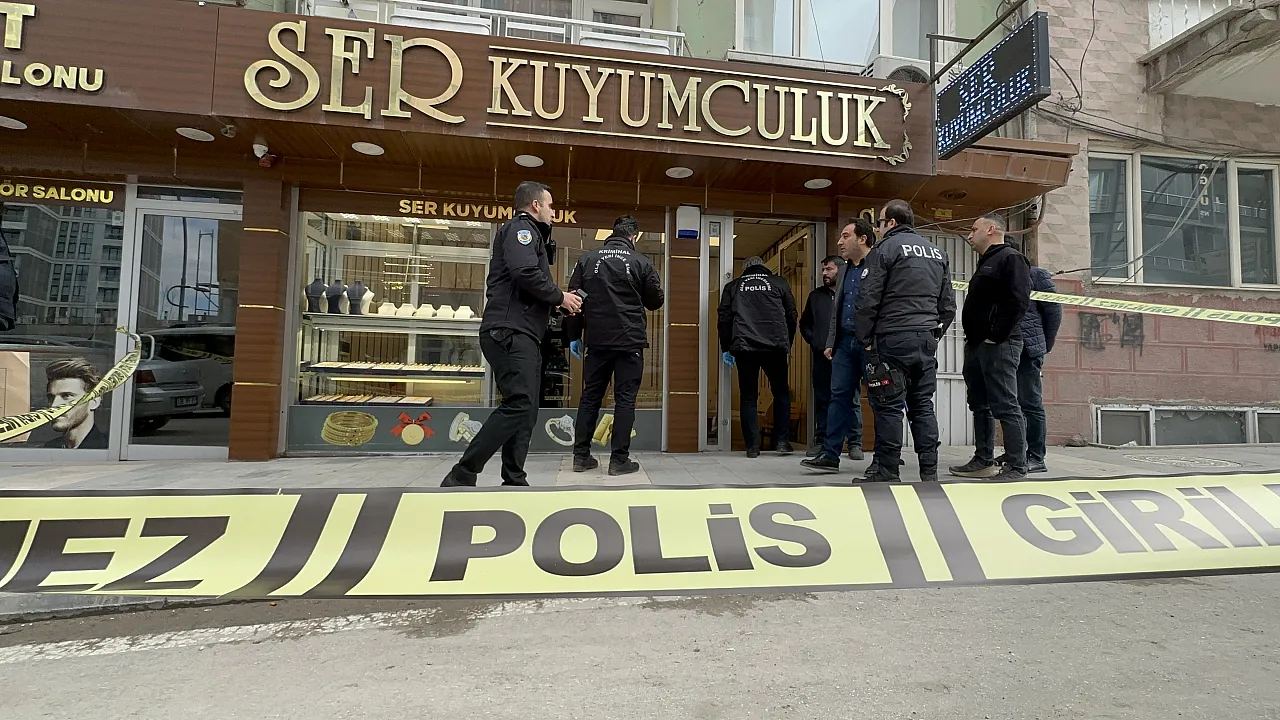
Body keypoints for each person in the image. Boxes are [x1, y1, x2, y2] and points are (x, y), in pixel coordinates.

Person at [441, 181, 583, 488]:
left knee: (526, 409)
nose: (553, 211)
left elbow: (525, 284)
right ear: (535, 205)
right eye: (550, 205)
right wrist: (560, 296)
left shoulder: (532, 233)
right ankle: (462, 473)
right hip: (510, 331)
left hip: (523, 332)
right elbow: (525, 273)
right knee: (520, 403)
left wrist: (556, 304)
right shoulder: (522, 230)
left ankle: (515, 479)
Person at [854, 199, 956, 482]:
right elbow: (948, 305)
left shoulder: (884, 249)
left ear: (891, 222)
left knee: (888, 406)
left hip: (892, 338)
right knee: (922, 405)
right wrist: (933, 334)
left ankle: (887, 470)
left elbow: (868, 298)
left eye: (879, 222)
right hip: (924, 340)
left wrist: (865, 339)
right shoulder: (937, 252)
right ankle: (929, 471)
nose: (877, 228)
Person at [566, 215, 665, 476]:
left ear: (612, 233)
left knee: (590, 397)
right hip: (629, 341)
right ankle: (619, 461)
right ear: (634, 236)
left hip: (597, 340)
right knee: (625, 400)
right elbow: (655, 301)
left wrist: (574, 335)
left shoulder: (587, 260)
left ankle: (581, 457)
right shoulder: (641, 262)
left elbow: (574, 301)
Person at [949, 214, 1033, 481]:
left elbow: (1019, 300)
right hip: (977, 345)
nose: (969, 235)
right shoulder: (986, 261)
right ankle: (983, 459)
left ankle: (1017, 466)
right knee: (980, 404)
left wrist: (996, 335)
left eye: (974, 229)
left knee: (1006, 403)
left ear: (991, 229)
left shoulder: (1010, 258)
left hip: (999, 345)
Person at [801, 218, 877, 473]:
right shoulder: (844, 273)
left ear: (862, 239)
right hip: (843, 344)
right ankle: (830, 454)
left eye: (845, 236)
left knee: (878, 400)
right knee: (837, 397)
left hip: (869, 344)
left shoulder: (879, 265)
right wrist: (829, 341)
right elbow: (836, 313)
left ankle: (882, 455)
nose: (839, 241)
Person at [718, 255, 798, 458]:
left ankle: (752, 447)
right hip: (775, 346)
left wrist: (726, 347)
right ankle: (781, 442)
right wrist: (787, 342)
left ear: (745, 268)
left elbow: (724, 318)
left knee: (748, 396)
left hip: (745, 347)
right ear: (763, 267)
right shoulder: (778, 283)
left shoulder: (734, 286)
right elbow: (791, 314)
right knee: (781, 392)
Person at [994, 247, 1061, 474]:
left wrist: (1045, 344)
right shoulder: (997, 275)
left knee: (1030, 402)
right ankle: (1016, 452)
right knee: (1011, 404)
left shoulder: (1036, 275)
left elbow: (1054, 311)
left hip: (1028, 349)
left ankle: (1036, 456)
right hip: (1005, 347)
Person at [799, 255, 845, 458]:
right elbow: (805, 323)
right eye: (823, 270)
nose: (824, 274)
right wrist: (816, 341)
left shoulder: (850, 293)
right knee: (823, 398)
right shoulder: (816, 296)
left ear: (840, 271)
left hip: (845, 354)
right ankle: (822, 441)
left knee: (850, 400)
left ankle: (854, 442)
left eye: (829, 270)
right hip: (821, 356)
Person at [41, 357, 108, 449]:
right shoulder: (49, 448)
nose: (54, 405)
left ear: (94, 402)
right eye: (51, 397)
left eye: (67, 396)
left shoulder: (106, 449)